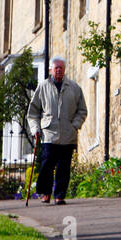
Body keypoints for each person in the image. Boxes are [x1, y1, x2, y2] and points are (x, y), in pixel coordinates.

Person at [25, 56, 87, 204]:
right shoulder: (43, 87)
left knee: (64, 168)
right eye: (56, 68)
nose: (58, 70)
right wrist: (35, 129)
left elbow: (82, 110)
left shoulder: (74, 88)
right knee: (47, 165)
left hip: (68, 134)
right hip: (49, 134)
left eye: (61, 68)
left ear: (64, 70)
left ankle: (60, 196)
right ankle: (45, 193)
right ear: (51, 70)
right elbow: (33, 112)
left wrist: (75, 125)